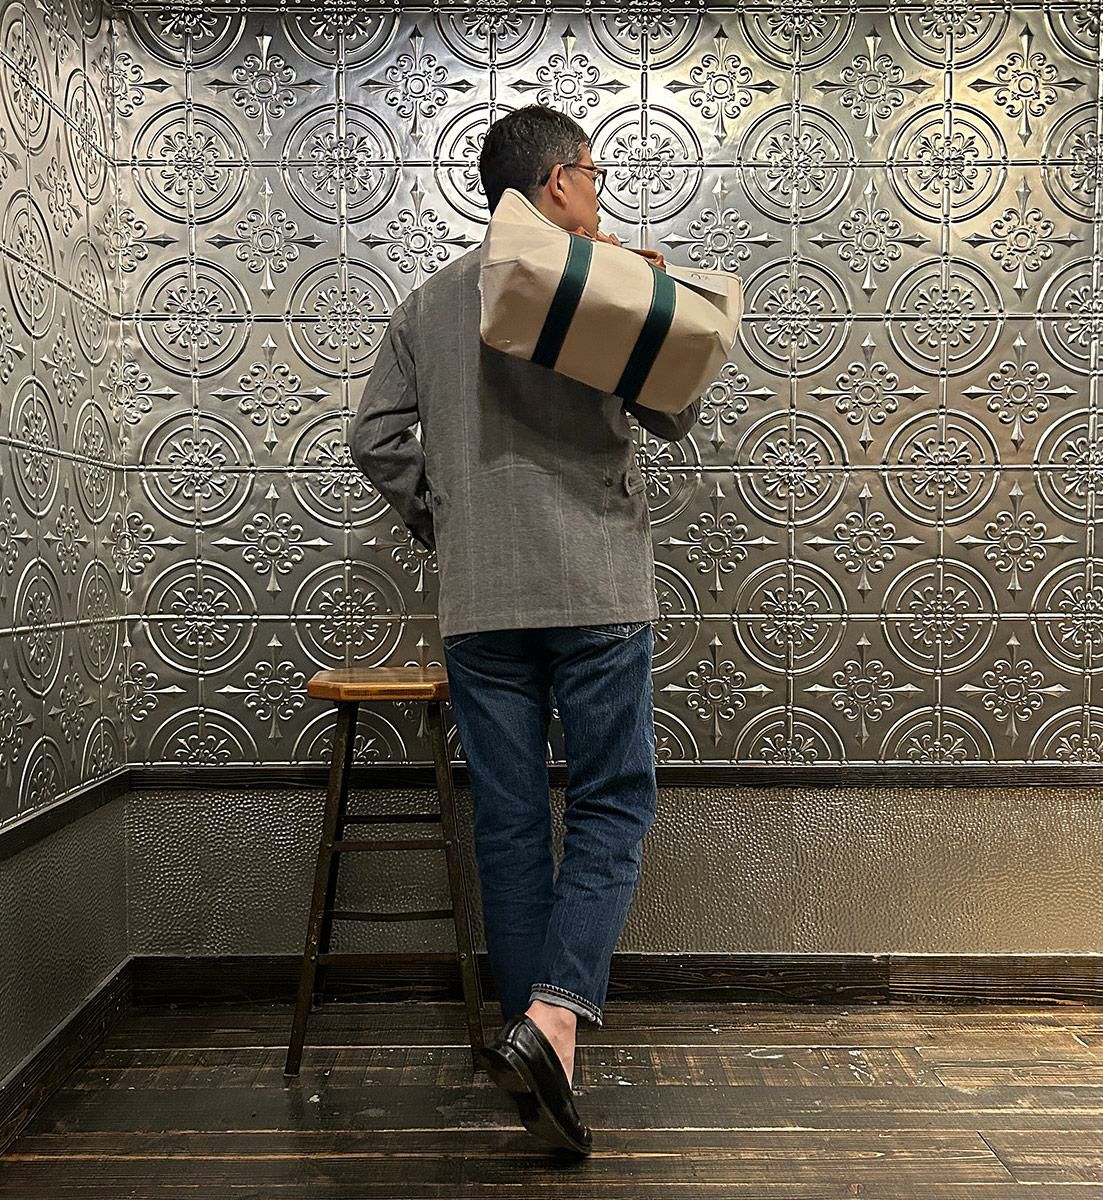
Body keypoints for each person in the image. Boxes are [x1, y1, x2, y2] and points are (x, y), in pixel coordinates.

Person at [349, 104, 700, 1155]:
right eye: (593, 174)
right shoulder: (602, 282)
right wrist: (652, 300)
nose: (597, 192)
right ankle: (554, 1021)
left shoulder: (428, 301)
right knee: (611, 805)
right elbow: (674, 414)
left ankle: (534, 1049)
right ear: (556, 184)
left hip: (482, 601)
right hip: (596, 589)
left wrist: (445, 519)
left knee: (507, 825)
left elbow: (374, 438)